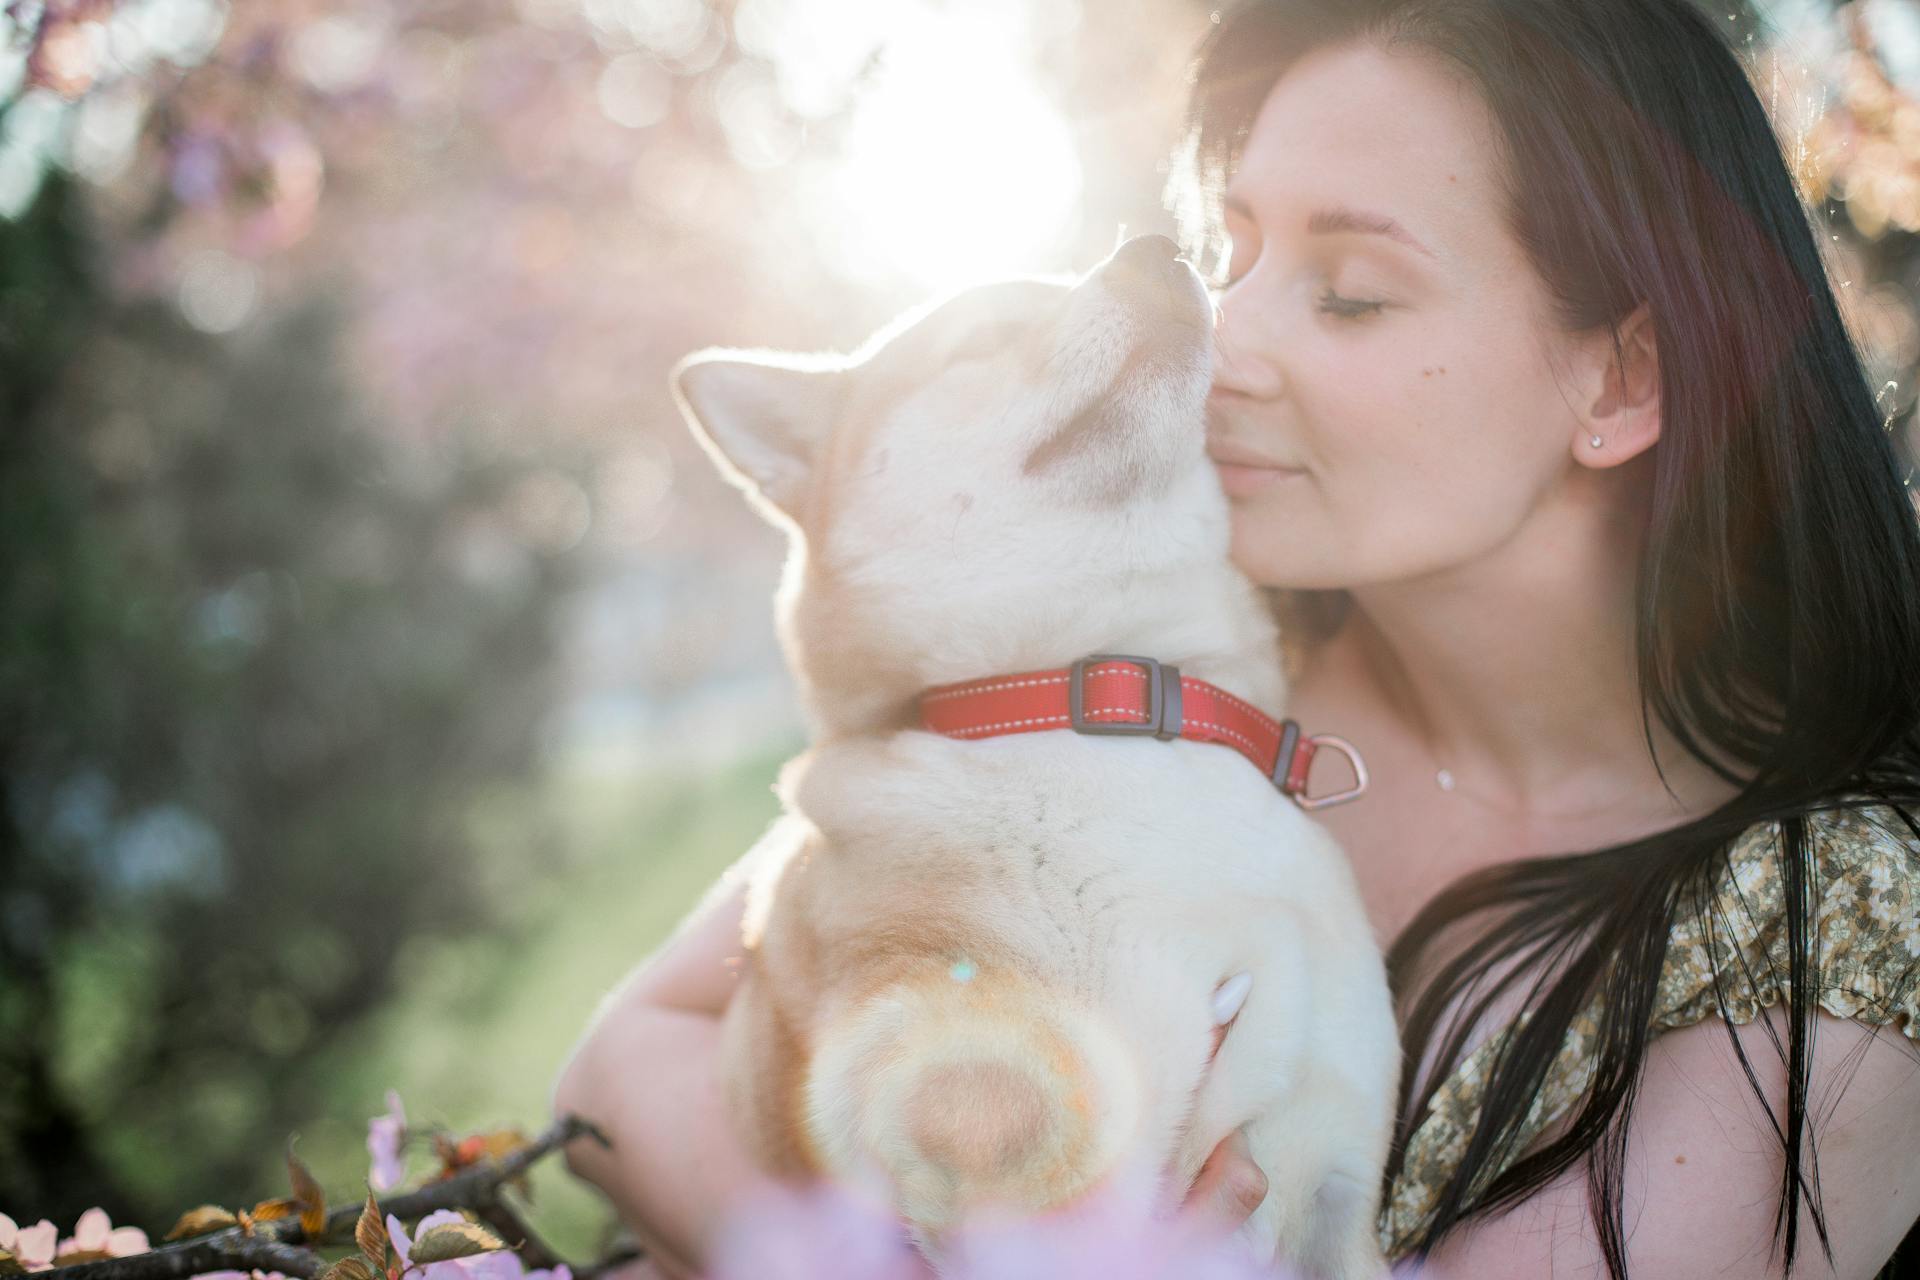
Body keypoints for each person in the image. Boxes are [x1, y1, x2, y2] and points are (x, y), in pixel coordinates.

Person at [553, 1, 1920, 1275]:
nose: (1223, 333)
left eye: (1350, 294)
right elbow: (627, 1063)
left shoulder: (1825, 920)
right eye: (1236, 251)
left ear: (1624, 378)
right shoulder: (1141, 664)